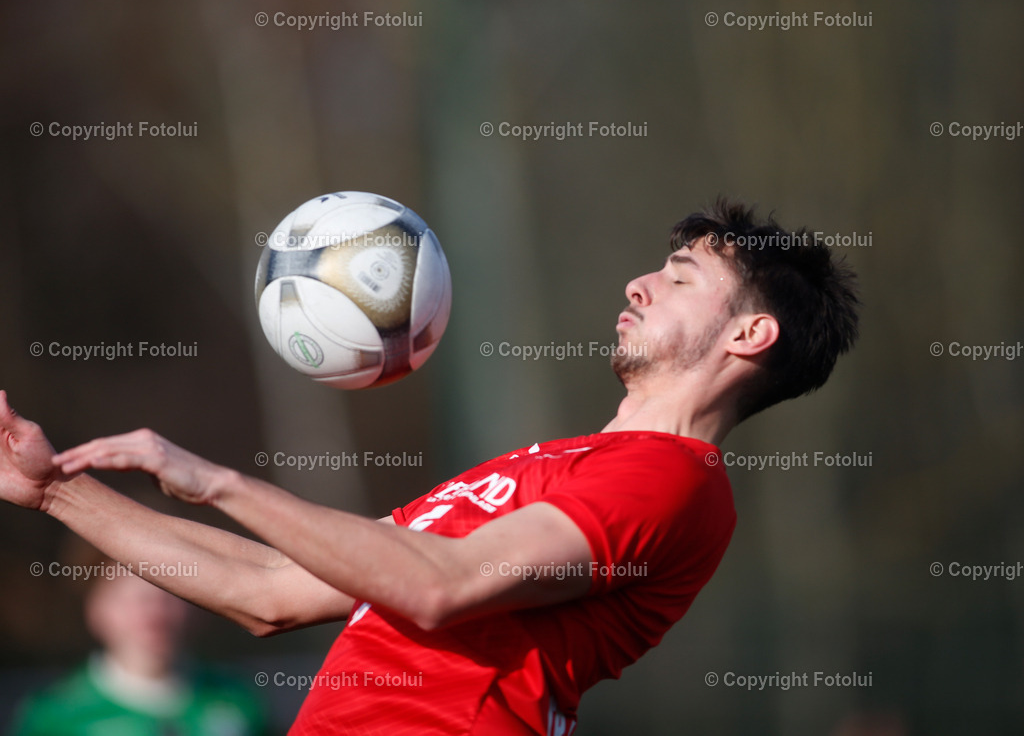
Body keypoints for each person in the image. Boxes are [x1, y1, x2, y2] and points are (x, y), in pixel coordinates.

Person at [0, 198, 859, 735]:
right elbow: (272, 590)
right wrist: (55, 493)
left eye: (679, 278)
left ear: (751, 335)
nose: (638, 283)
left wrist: (213, 478)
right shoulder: (550, 463)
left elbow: (437, 584)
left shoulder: (673, 479)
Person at [10, 558, 268, 736]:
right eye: (133, 599)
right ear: (95, 608)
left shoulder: (238, 700)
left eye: (167, 595)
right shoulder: (54, 714)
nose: (153, 613)